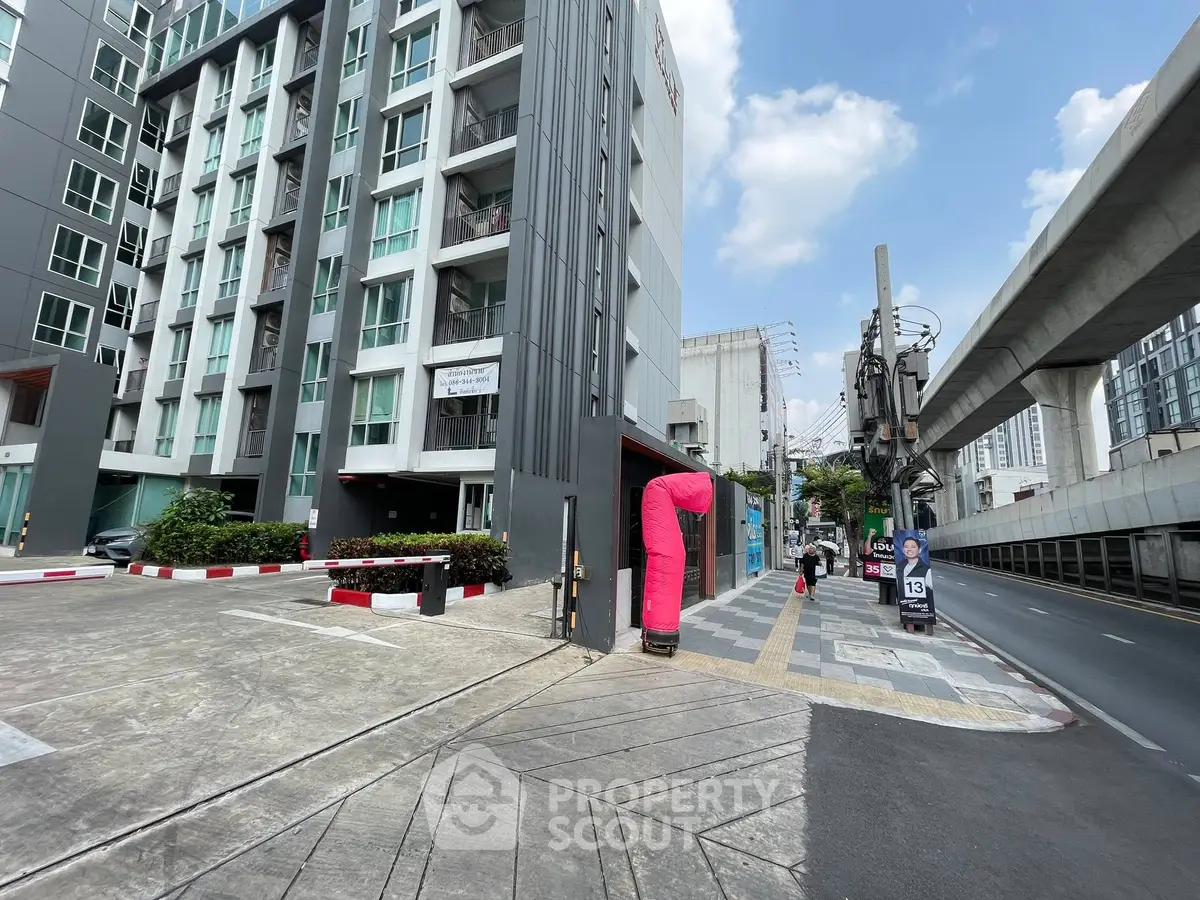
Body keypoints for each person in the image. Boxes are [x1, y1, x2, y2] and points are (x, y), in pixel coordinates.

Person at [897, 536, 933, 602]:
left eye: (913, 547)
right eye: (906, 547)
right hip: (903, 607)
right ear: (903, 550)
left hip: (920, 607)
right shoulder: (899, 567)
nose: (909, 549)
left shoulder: (926, 570)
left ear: (919, 550)